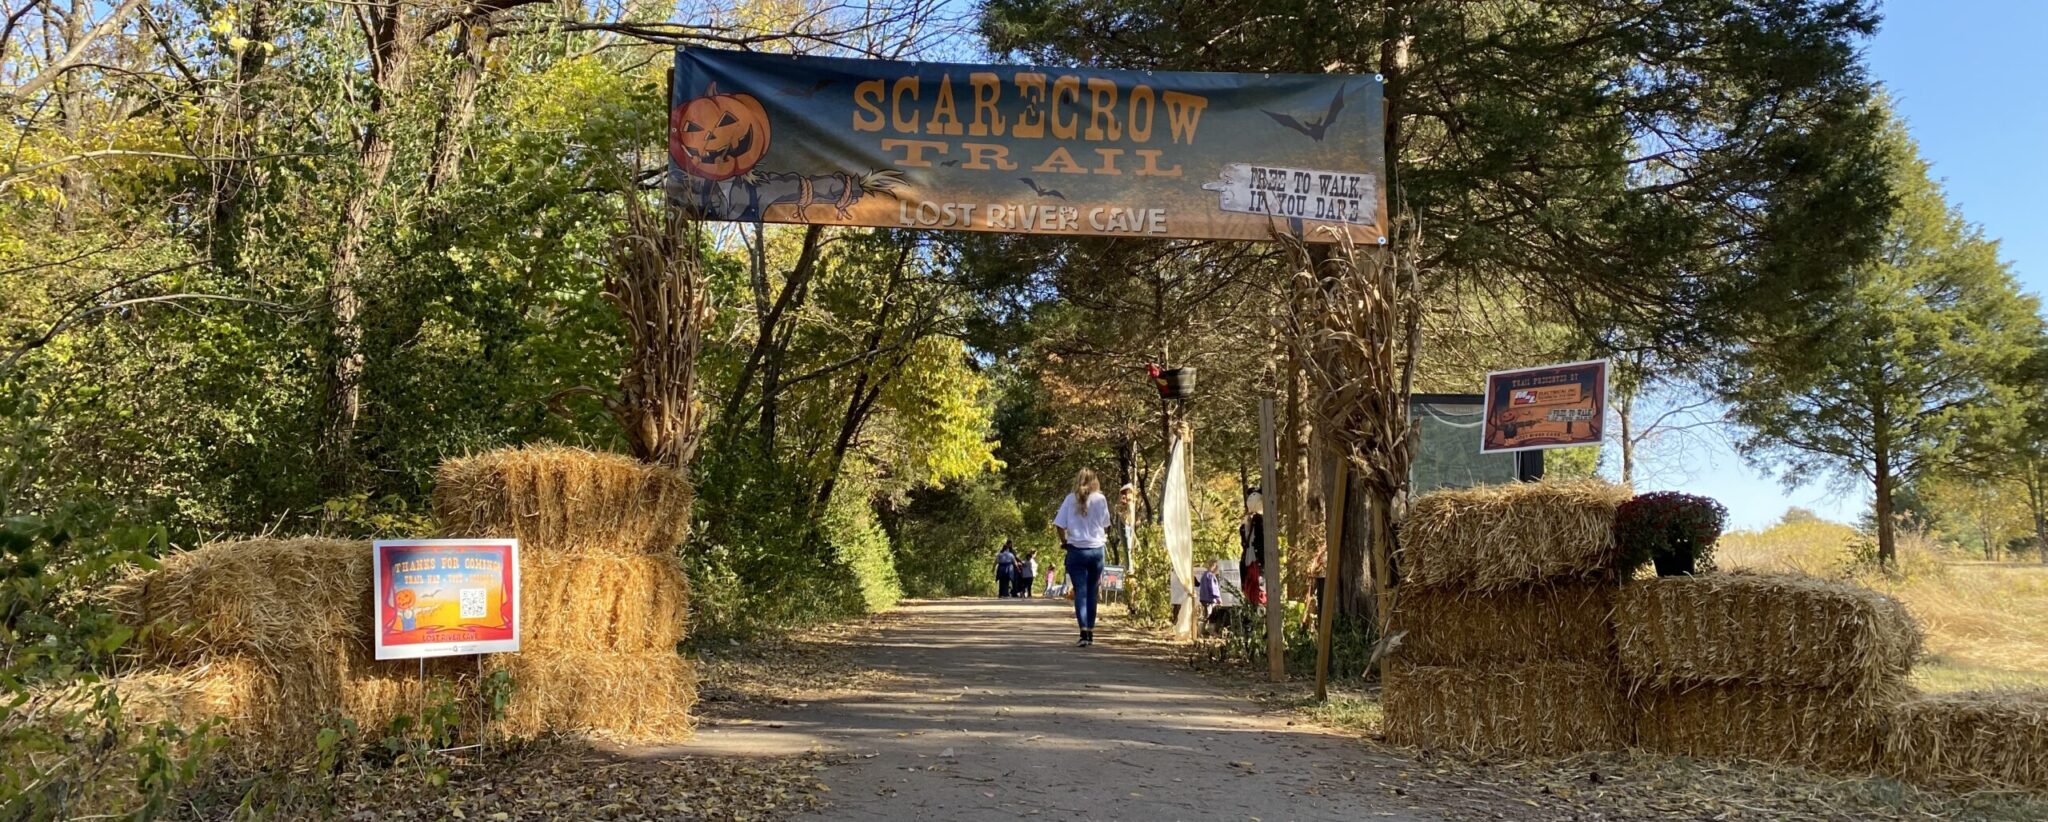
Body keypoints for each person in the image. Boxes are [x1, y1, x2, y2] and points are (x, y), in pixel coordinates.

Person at [1054, 468, 1111, 646]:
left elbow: (1059, 524)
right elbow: (1106, 524)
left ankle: (1083, 633)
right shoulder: (1100, 499)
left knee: (1080, 591)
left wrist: (1064, 542)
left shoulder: (1070, 499)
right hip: (1096, 551)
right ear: (1095, 481)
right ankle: (1090, 632)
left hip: (1076, 551)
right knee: (1092, 591)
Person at [1239, 489, 1268, 606]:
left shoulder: (1257, 520)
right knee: (1255, 588)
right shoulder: (1254, 520)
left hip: (1253, 560)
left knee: (1256, 588)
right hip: (1254, 560)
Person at [1196, 558, 1223, 635]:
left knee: (1206, 614)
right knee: (1209, 615)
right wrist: (1218, 598)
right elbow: (1213, 589)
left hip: (1204, 598)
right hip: (1209, 599)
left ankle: (1202, 631)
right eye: (1217, 567)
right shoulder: (1211, 576)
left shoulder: (1205, 575)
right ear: (1214, 566)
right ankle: (1202, 631)